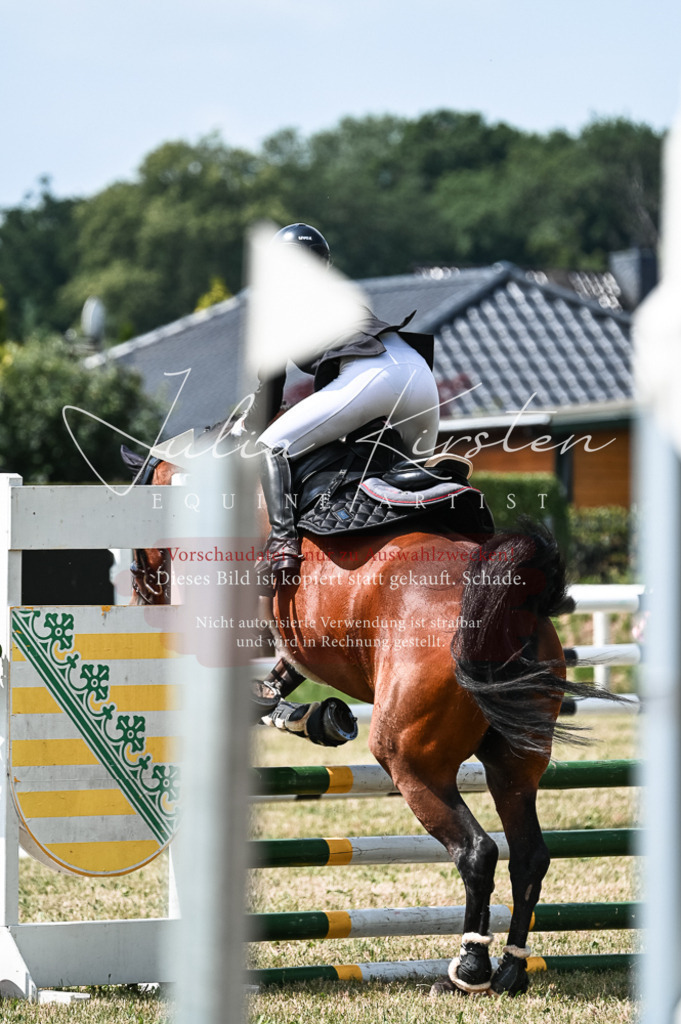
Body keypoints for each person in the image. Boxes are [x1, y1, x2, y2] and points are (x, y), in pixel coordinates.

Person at [235, 222, 440, 585]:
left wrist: (244, 436)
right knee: (403, 484)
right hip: (421, 379)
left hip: (375, 379)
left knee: (270, 446)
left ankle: (282, 544)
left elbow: (269, 394)